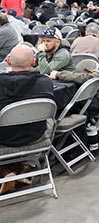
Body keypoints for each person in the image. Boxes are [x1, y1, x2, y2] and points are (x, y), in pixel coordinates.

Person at [0, 45, 54, 194]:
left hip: (3, 140)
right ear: (33, 62)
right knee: (51, 120)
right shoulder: (45, 82)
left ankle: (5, 171)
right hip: (36, 137)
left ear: (8, 61)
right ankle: (26, 167)